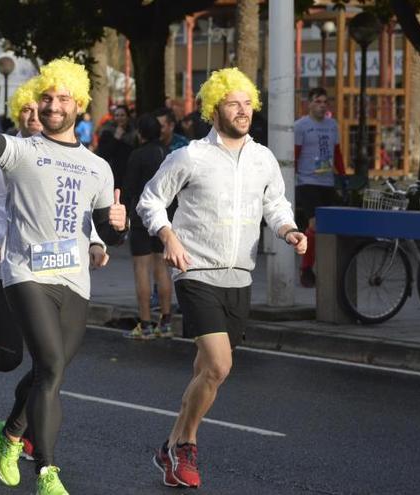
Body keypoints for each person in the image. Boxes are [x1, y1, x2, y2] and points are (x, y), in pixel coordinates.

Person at [0, 58, 128, 495]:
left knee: (51, 371)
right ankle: (47, 470)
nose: (53, 105)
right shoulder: (23, 151)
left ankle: (9, 434)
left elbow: (109, 232)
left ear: (78, 104)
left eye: (63, 98)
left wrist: (117, 225)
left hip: (74, 279)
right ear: (37, 104)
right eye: (47, 97)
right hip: (25, 273)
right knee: (50, 363)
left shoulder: (98, 166)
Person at [137, 68, 306, 489]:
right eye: (234, 103)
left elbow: (276, 205)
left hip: (240, 275)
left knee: (204, 373)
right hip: (196, 271)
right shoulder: (191, 156)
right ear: (215, 109)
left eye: (248, 102)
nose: (243, 110)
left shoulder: (263, 158)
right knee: (219, 365)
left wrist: (289, 230)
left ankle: (170, 446)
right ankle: (187, 445)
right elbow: (151, 200)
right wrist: (169, 236)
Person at [122, 113, 173, 340]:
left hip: (143, 216)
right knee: (162, 269)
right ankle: (166, 322)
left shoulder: (137, 155)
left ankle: (145, 323)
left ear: (140, 133)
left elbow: (130, 188)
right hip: (166, 217)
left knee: (141, 269)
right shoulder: (169, 154)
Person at [294, 87, 344, 288]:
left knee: (328, 228)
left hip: (327, 182)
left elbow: (337, 152)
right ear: (309, 104)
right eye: (318, 102)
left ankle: (325, 268)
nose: (322, 106)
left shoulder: (332, 125)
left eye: (325, 102)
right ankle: (306, 269)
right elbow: (295, 154)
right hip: (307, 182)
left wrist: (342, 176)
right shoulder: (301, 126)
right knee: (314, 225)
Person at [96, 104, 136, 189]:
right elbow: (103, 154)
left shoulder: (134, 133)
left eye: (122, 115)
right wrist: (116, 138)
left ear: (128, 117)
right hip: (112, 173)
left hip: (128, 174)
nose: (119, 118)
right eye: (117, 115)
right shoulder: (107, 132)